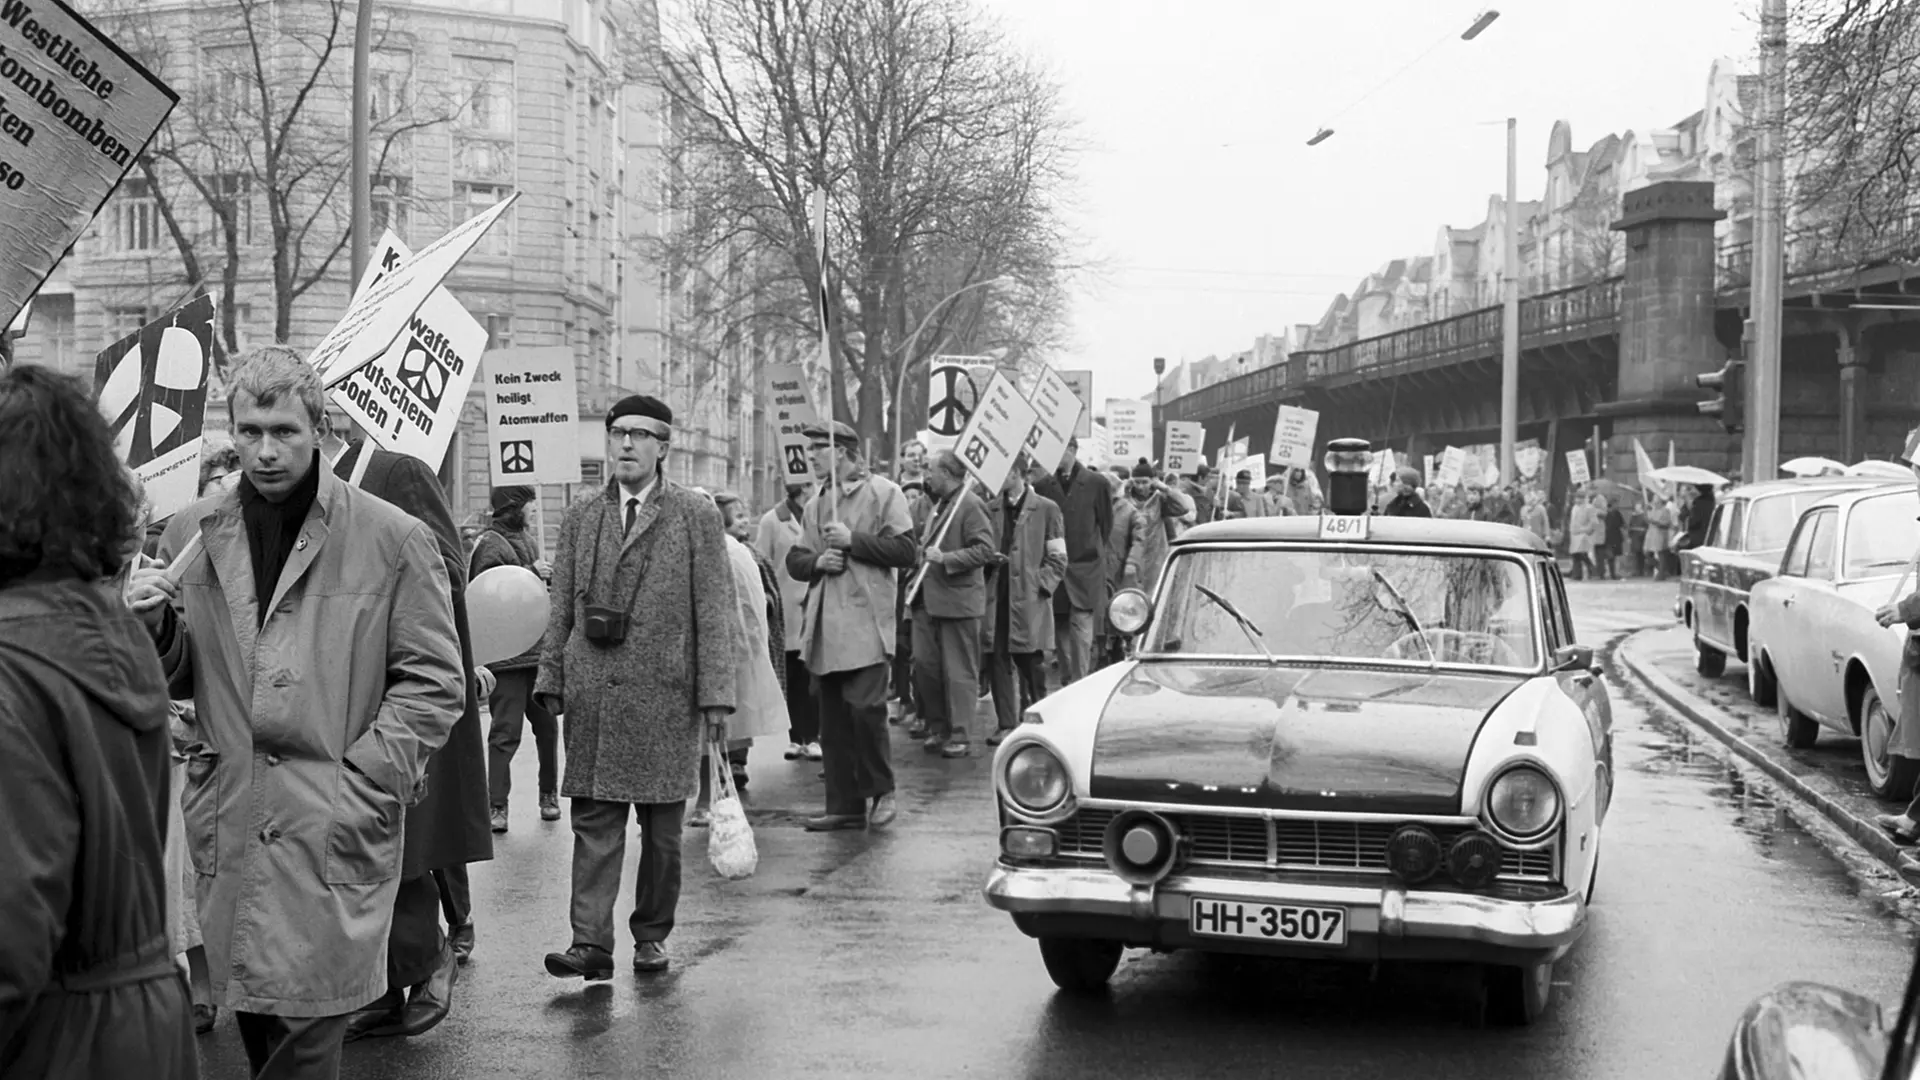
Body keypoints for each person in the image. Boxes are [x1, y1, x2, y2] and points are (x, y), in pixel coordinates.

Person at [127, 348, 466, 1078]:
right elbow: (182, 673)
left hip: (332, 823)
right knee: (254, 1020)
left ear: (320, 428)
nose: (266, 449)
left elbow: (436, 679)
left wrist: (369, 778)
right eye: (249, 431)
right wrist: (154, 627)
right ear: (231, 430)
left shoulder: (391, 537)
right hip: (234, 816)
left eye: (283, 429)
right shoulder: (191, 533)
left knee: (310, 1035)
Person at [0, 365, 197, 1079]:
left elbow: (9, 930)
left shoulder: (13, 665)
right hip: (137, 1027)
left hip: (54, 1041)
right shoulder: (106, 632)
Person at [534, 395, 737, 980]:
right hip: (595, 692)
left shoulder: (695, 516)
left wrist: (715, 694)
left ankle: (651, 935)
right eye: (618, 433)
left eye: (639, 435)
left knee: (663, 835)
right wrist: (552, 676)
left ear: (663, 446)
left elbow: (714, 609)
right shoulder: (581, 515)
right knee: (594, 823)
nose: (625, 444)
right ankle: (590, 945)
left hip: (666, 696)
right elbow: (560, 605)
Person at [317, 406, 490, 1037]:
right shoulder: (282, 495)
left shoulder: (395, 470)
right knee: (351, 844)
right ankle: (384, 982)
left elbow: (445, 566)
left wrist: (368, 557)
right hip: (328, 684)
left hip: (398, 681)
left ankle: (426, 957)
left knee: (402, 839)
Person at [786, 420, 917, 831]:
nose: (810, 459)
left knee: (866, 712)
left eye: (816, 451)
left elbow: (906, 551)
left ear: (840, 451)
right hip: (825, 628)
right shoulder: (815, 504)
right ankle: (843, 805)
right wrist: (817, 562)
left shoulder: (885, 493)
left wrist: (852, 540)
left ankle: (883, 791)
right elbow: (796, 559)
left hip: (866, 623)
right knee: (834, 723)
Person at [469, 486, 560, 833]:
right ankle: (497, 805)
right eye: (531, 509)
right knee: (505, 734)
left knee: (548, 730)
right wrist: (531, 571)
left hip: (537, 655)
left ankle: (549, 795)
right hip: (508, 658)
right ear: (515, 508)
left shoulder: (528, 538)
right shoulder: (491, 543)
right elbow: (491, 591)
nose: (535, 515)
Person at [909, 450, 996, 758]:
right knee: (925, 667)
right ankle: (938, 725)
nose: (926, 475)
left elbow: (985, 550)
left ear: (946, 473)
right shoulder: (938, 506)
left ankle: (959, 732)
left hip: (958, 602)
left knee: (959, 672)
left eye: (930, 470)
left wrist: (946, 559)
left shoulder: (970, 505)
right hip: (926, 601)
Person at [984, 456, 1066, 746]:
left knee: (1030, 659)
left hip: (1029, 597)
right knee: (997, 657)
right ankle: (1006, 722)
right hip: (997, 593)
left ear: (1017, 474)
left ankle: (1035, 716)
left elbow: (1058, 556)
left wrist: (1041, 584)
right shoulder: (991, 508)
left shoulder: (1046, 508)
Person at [1032, 437, 1112, 691]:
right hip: (1056, 569)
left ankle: (1081, 682)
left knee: (1082, 629)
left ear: (1073, 451)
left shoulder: (1097, 483)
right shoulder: (1044, 485)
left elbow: (1106, 525)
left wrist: (1095, 555)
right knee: (1060, 631)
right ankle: (1069, 679)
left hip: (1085, 568)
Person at [753, 479, 821, 762]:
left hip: (814, 605)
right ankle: (796, 737)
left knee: (814, 675)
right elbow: (760, 561)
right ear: (804, 488)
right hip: (787, 612)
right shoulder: (772, 520)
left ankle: (814, 736)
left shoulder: (818, 515)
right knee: (793, 676)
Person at [891, 440, 932, 727]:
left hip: (921, 572)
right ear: (901, 459)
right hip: (895, 573)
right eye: (911, 456)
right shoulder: (890, 491)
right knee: (899, 642)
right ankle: (903, 697)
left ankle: (921, 704)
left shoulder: (933, 494)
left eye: (921, 456)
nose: (916, 461)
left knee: (919, 644)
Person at [1568, 494, 1601, 580]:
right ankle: (1577, 575)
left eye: (1579, 498)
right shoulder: (1574, 508)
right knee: (1576, 555)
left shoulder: (1589, 508)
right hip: (1575, 535)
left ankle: (1594, 572)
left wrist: (1587, 530)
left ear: (1583, 499)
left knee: (1582, 555)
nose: (1577, 500)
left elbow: (1594, 522)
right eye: (1576, 498)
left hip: (1584, 535)